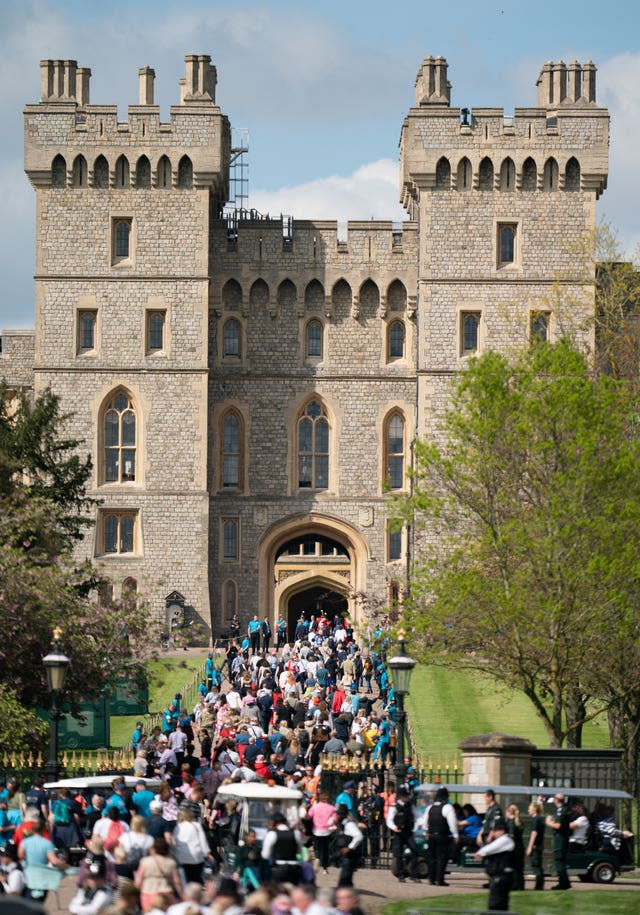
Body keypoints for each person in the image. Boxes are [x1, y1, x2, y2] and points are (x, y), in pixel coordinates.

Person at [474, 817, 515, 912]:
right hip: (498, 877)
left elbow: (488, 849)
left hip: (501, 877)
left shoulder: (505, 840)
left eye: (495, 830)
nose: (493, 832)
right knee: (498, 905)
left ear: (502, 830)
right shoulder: (502, 840)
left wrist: (480, 853)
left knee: (495, 904)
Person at [134, 837, 182, 913]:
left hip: (148, 893)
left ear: (154, 849)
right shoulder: (171, 862)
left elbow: (139, 880)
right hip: (166, 892)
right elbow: (177, 882)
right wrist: (181, 895)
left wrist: (135, 892)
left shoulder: (145, 861)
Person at [425, 787, 458, 887]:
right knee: (441, 858)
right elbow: (452, 823)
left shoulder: (429, 808)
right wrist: (456, 834)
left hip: (431, 835)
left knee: (432, 858)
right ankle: (439, 879)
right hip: (442, 836)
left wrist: (427, 832)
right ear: (445, 797)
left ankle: (431, 878)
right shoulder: (447, 807)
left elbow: (425, 823)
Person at [387, 787, 418, 883]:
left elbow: (417, 817)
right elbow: (389, 820)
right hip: (399, 832)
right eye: (406, 796)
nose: (407, 798)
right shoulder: (394, 807)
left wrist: (415, 829)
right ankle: (401, 875)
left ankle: (413, 874)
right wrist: (394, 827)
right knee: (399, 854)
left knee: (415, 851)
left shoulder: (410, 806)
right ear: (401, 797)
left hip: (408, 832)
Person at [261, 812, 303, 885]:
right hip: (294, 868)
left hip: (278, 869)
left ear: (274, 823)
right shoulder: (296, 833)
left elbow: (265, 855)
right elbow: (299, 852)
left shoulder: (271, 834)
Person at [332, 804, 363, 888]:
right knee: (347, 880)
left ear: (342, 814)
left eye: (338, 814)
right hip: (346, 856)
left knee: (344, 880)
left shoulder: (349, 824)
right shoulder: (343, 824)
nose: (336, 816)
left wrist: (349, 847)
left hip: (350, 856)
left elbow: (359, 836)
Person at [546, 792, 571, 890]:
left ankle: (563, 883)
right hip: (561, 839)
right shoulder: (562, 810)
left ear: (556, 800)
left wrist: (549, 822)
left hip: (560, 840)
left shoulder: (561, 810)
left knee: (559, 862)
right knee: (560, 862)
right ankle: (564, 882)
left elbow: (558, 826)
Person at [307, 791, 336, 875]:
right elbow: (334, 819)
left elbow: (308, 816)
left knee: (317, 848)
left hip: (316, 830)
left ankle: (317, 859)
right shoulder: (331, 808)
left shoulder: (314, 807)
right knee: (325, 849)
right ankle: (325, 868)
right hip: (326, 830)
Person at [525, 801, 545, 890]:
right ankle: (540, 885)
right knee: (538, 866)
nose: (528, 810)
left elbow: (534, 833)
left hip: (535, 846)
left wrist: (530, 846)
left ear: (534, 809)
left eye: (529, 808)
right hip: (539, 846)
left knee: (536, 866)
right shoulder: (539, 819)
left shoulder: (536, 819)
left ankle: (539, 886)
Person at [505, 804, 524, 891]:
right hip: (520, 847)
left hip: (513, 848)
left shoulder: (511, 822)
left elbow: (511, 835)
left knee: (514, 868)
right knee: (519, 868)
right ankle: (520, 885)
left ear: (509, 812)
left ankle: (515, 885)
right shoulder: (519, 821)